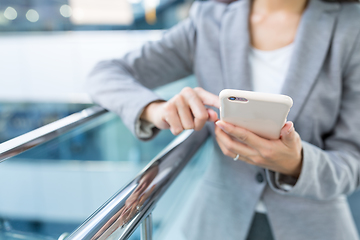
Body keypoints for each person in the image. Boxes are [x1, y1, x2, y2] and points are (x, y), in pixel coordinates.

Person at [87, 0, 360, 239]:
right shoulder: (207, 22)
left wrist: (297, 163)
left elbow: (353, 161)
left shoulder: (351, 27)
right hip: (220, 221)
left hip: (314, 227)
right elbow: (104, 74)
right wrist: (156, 109)